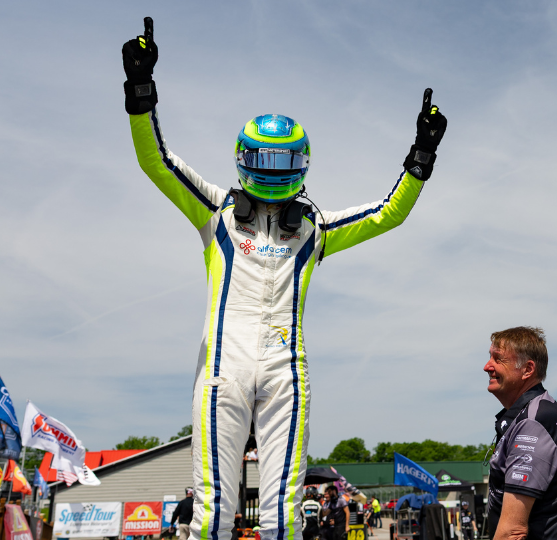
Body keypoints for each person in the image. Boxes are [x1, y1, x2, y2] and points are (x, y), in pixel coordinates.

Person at [121, 17, 448, 540]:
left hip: (286, 373)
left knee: (283, 517)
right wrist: (141, 92)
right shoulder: (216, 210)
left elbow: (388, 214)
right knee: (210, 513)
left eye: (285, 159)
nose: (274, 169)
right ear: (243, 159)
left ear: (303, 163)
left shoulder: (315, 228)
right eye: (264, 158)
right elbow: (157, 162)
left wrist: (421, 157)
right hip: (222, 370)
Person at [483, 327, 557, 540]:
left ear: (527, 369)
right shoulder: (541, 411)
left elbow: (513, 531)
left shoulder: (533, 421)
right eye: (490, 357)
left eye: (498, 359)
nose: (487, 367)